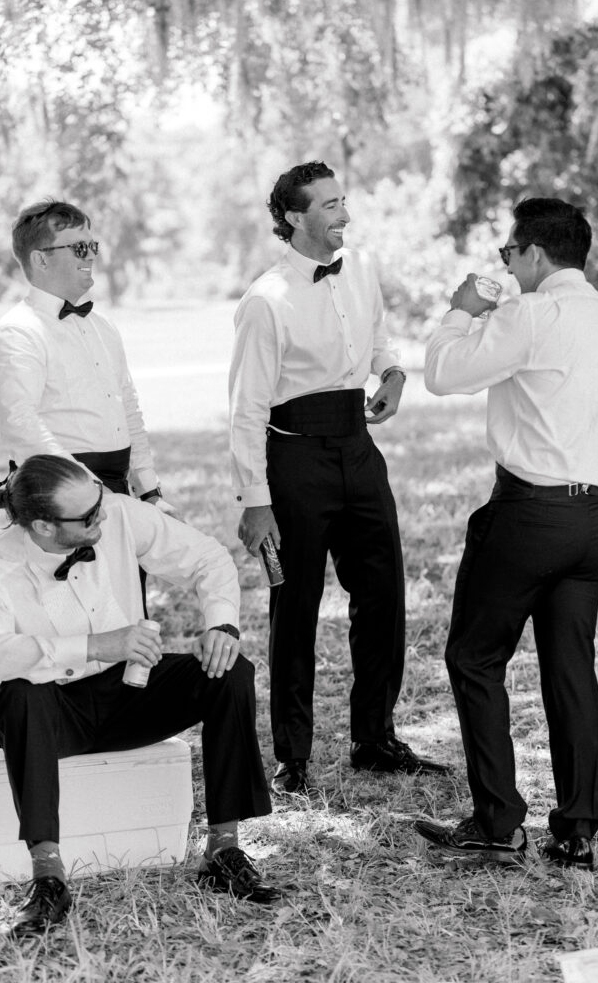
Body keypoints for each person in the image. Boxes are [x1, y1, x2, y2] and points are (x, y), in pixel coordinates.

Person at [415, 198, 598, 869]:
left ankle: (496, 818)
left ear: (534, 255)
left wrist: (463, 309)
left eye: (506, 254)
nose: (503, 265)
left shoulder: (531, 314)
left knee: (474, 658)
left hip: (526, 514)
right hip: (593, 518)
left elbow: (443, 374)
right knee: (571, 671)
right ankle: (575, 830)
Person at [228, 160, 447, 795]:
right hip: (294, 461)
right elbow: (245, 409)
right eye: (329, 205)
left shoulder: (363, 270)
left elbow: (378, 340)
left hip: (359, 450)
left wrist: (395, 373)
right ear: (294, 218)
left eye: (343, 200)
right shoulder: (264, 301)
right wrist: (254, 501)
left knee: (384, 595)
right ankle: (292, 757)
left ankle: (373, 739)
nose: (344, 214)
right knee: (293, 605)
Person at [0, 455, 281, 939]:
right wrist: (93, 646)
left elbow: (208, 557)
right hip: (48, 711)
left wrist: (222, 624)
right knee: (21, 694)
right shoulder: (2, 559)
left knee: (230, 672)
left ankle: (223, 849)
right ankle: (49, 876)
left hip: (129, 690)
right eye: (88, 517)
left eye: (100, 503)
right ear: (43, 525)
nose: (103, 516)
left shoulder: (119, 512)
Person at [0, 199, 173, 510]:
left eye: (93, 245)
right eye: (79, 248)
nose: (92, 255)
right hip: (59, 498)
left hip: (119, 491)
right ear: (41, 259)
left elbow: (129, 409)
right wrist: (86, 489)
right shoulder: (18, 331)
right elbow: (20, 422)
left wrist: (150, 493)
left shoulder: (103, 326)